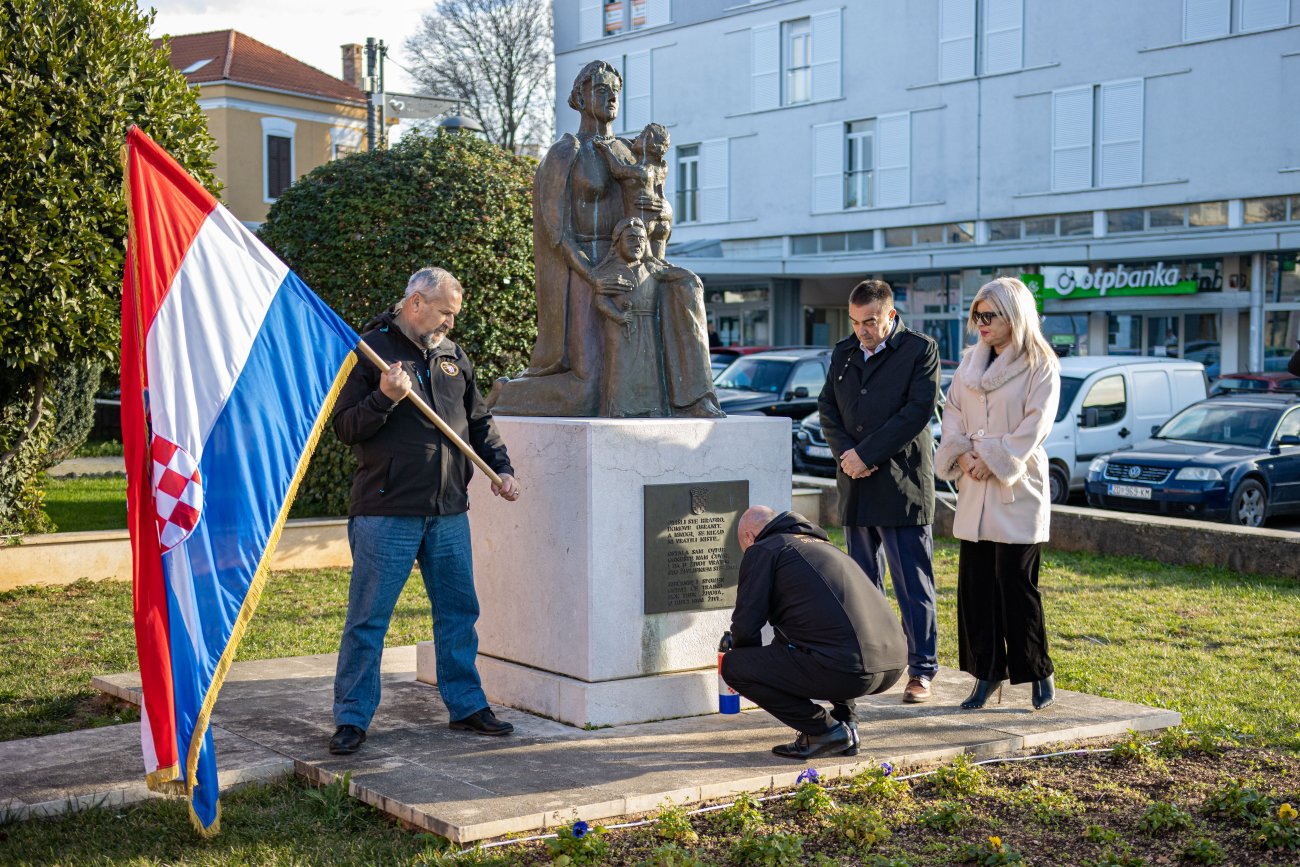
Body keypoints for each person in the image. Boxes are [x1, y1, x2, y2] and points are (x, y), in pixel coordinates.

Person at [328, 267, 522, 755]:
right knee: (369, 618)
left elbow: (479, 421)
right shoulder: (370, 350)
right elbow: (346, 427)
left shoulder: (453, 357)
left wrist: (502, 468)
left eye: (454, 314)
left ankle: (467, 707)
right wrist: (384, 398)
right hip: (386, 510)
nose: (451, 323)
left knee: (459, 613)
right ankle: (352, 719)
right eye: (445, 312)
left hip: (449, 510)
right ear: (416, 302)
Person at [934, 276, 1061, 712]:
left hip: (1016, 488)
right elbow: (951, 412)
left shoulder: (1040, 363)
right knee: (976, 588)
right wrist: (962, 455)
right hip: (974, 488)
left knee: (1017, 586)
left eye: (989, 315)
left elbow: (1036, 423)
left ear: (1014, 315)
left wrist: (995, 456)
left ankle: (1038, 672)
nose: (981, 323)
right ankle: (986, 675)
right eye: (977, 315)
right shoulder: (970, 361)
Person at [817, 279, 941, 703]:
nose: (862, 331)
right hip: (856, 485)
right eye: (855, 322)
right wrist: (847, 455)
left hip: (901, 486)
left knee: (912, 583)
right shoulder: (843, 352)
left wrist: (866, 454)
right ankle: (874, 661)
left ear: (890, 314)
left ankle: (922, 670)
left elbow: (916, 413)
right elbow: (827, 408)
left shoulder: (919, 350)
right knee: (863, 583)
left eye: (870, 321)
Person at [720, 507, 906, 760]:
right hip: (893, 666)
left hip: (849, 671)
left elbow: (746, 624)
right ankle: (847, 726)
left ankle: (824, 730)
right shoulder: (823, 547)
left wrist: (748, 662)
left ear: (750, 537)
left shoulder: (763, 549)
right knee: (829, 642)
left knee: (734, 666)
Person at [593, 217, 669, 417]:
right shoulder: (610, 271)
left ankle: (653, 407)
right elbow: (601, 301)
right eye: (631, 238)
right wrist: (618, 316)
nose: (638, 243)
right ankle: (620, 408)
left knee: (650, 368)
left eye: (642, 239)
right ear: (618, 242)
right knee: (621, 369)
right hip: (622, 329)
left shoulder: (651, 268)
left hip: (648, 326)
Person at [594, 123, 672, 261]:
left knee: (646, 266)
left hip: (643, 222)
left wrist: (606, 151)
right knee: (660, 265)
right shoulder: (662, 168)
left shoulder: (640, 171)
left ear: (649, 143)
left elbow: (616, 170)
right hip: (663, 223)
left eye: (641, 136)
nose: (635, 138)